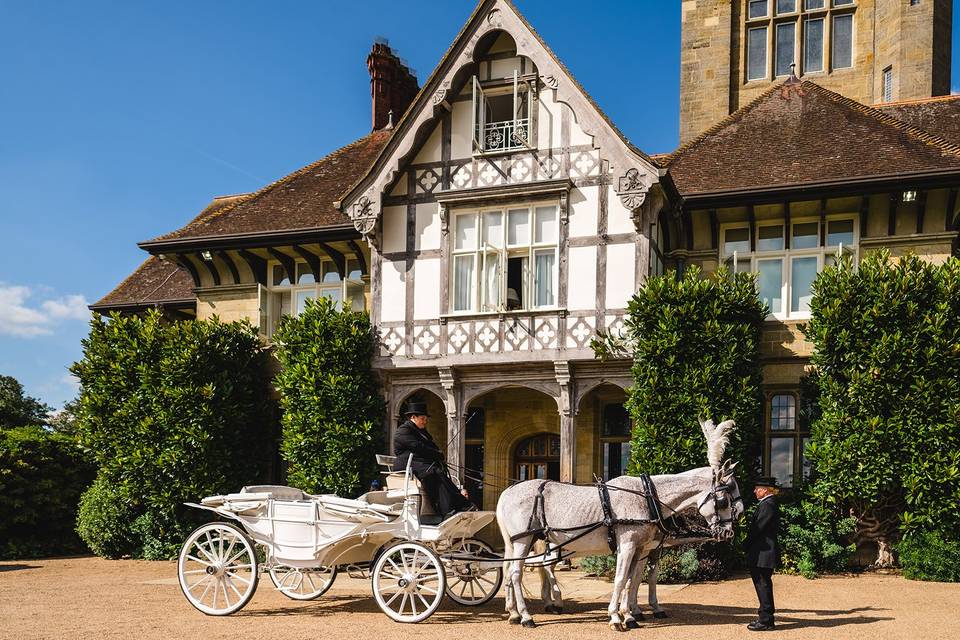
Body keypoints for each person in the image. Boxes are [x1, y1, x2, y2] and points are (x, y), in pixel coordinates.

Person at [392, 401, 473, 518]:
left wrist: (439, 454)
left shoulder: (421, 431)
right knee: (434, 472)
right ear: (413, 417)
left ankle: (458, 504)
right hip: (406, 464)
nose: (425, 421)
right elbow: (418, 447)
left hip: (419, 463)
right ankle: (448, 509)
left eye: (425, 419)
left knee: (440, 472)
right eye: (423, 418)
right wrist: (436, 454)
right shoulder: (403, 431)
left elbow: (431, 445)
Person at [744, 476, 781, 632]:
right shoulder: (768, 503)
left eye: (757, 488)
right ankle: (764, 617)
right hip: (763, 553)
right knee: (762, 584)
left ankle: (766, 620)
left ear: (765, 490)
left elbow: (758, 529)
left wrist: (745, 543)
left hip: (763, 553)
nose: (754, 491)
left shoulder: (767, 505)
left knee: (763, 585)